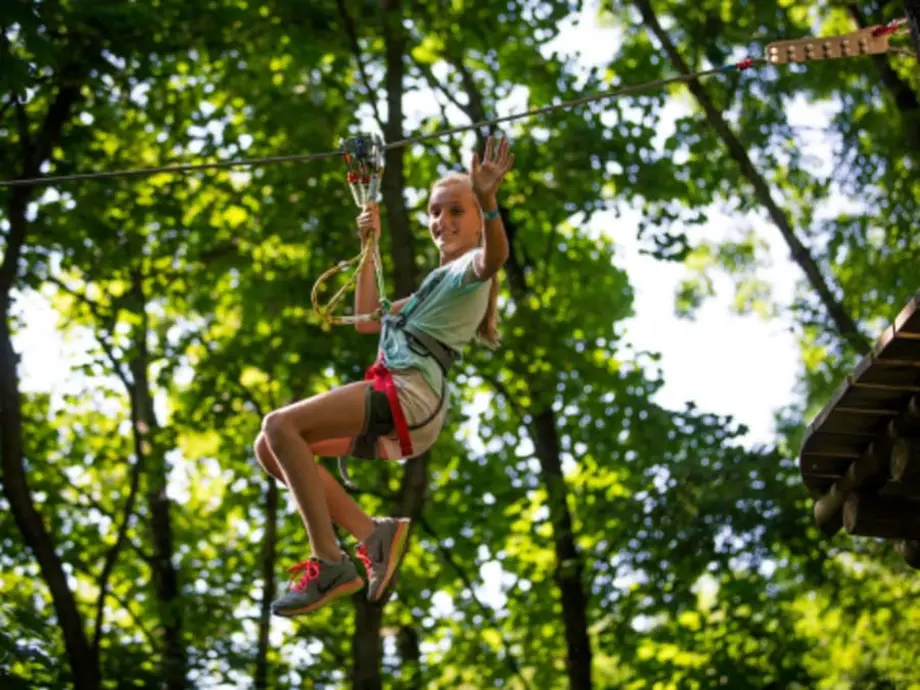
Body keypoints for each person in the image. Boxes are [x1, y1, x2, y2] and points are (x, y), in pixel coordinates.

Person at [253, 136, 515, 617]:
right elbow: (367, 319)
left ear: (479, 221)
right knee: (272, 448)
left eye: (457, 211)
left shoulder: (468, 271)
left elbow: (494, 257)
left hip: (409, 394)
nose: (442, 221)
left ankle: (330, 563)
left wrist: (489, 199)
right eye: (435, 212)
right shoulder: (433, 288)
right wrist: (368, 244)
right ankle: (373, 534)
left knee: (279, 424)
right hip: (407, 401)